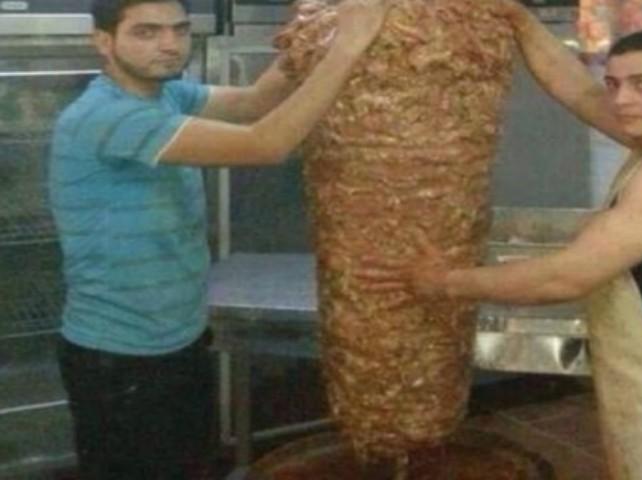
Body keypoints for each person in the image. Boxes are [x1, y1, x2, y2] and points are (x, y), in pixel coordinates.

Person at [358, 29, 642, 480]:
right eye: (614, 84)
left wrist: (443, 283)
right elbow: (577, 90)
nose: (621, 99)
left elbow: (564, 278)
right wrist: (517, 19)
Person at [48, 0, 388, 478]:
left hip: (179, 338)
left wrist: (314, 33)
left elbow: (254, 102)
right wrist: (349, 45)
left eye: (179, 30)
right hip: (120, 357)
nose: (170, 44)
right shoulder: (106, 116)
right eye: (147, 32)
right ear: (103, 41)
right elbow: (264, 143)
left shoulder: (167, 95)